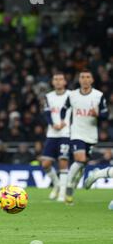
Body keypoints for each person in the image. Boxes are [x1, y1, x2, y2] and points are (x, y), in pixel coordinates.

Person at [60, 70, 108, 205]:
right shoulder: (73, 95)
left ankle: (74, 181)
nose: (85, 79)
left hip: (91, 134)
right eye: (82, 77)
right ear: (79, 80)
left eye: (88, 77)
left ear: (92, 80)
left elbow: (106, 115)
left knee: (83, 163)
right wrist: (64, 120)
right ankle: (68, 187)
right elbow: (64, 109)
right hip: (76, 133)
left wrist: (97, 114)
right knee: (80, 159)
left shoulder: (99, 96)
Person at [40, 72, 71, 202]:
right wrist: (53, 124)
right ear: (52, 82)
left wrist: (65, 123)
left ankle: (62, 193)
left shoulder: (71, 95)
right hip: (52, 133)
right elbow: (47, 113)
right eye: (56, 79)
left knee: (63, 162)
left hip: (66, 133)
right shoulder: (49, 96)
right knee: (45, 163)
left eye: (60, 79)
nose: (58, 81)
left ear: (65, 82)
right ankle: (57, 185)